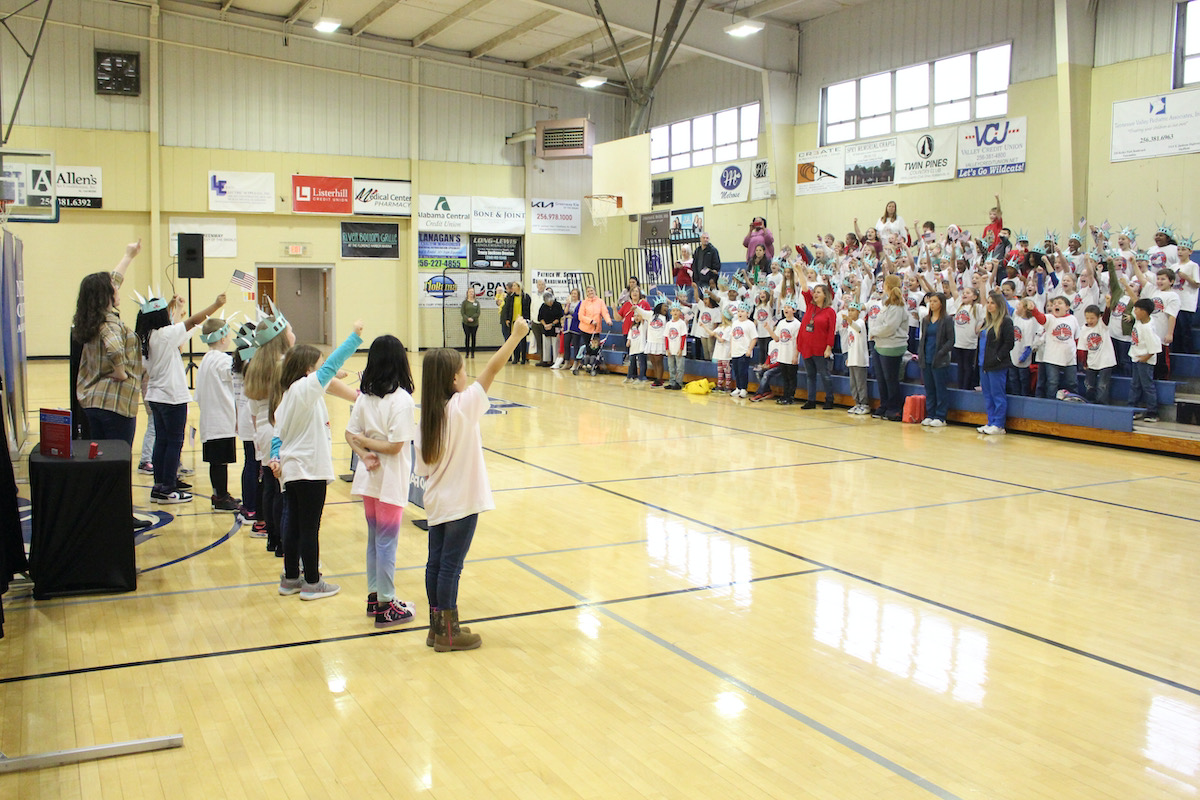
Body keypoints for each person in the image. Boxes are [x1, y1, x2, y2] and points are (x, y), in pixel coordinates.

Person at [417, 317, 530, 651]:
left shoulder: (427, 417)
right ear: (454, 378)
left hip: (437, 501)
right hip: (462, 502)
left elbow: (424, 468)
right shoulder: (462, 407)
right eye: (463, 370)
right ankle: (449, 635)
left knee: (435, 563)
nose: (468, 375)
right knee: (451, 568)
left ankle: (437, 627)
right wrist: (515, 337)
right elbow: (492, 370)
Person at [270, 321, 364, 601]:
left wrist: (274, 458)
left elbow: (277, 436)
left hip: (291, 469)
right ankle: (312, 581)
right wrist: (354, 337)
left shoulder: (289, 394)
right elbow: (331, 366)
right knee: (309, 528)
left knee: (293, 525)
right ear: (308, 370)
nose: (324, 370)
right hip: (309, 469)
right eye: (319, 366)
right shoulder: (305, 388)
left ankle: (290, 578)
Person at [345, 334, 418, 629]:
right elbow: (395, 446)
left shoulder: (365, 398)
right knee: (386, 541)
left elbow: (350, 435)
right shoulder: (401, 401)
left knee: (375, 539)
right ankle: (386, 604)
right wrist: (367, 448)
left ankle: (375, 596)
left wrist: (363, 453)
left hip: (370, 478)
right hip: (388, 480)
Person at [138, 289, 227, 504]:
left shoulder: (148, 337)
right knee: (174, 442)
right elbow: (193, 321)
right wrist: (216, 305)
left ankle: (160, 485)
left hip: (156, 396)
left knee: (162, 441)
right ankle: (168, 488)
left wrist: (176, 307)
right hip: (171, 397)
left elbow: (182, 328)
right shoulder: (165, 335)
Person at [71, 240, 143, 446]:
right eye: (113, 288)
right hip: (115, 403)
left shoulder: (90, 319)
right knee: (118, 456)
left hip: (93, 400)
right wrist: (121, 372)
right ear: (106, 295)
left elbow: (114, 280)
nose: (117, 289)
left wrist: (128, 256)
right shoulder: (109, 323)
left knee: (101, 456)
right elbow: (115, 347)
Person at [243, 305, 296, 557]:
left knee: (268, 485)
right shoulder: (285, 365)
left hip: (262, 429)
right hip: (278, 429)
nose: (294, 333)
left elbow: (253, 411)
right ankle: (283, 541)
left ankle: (272, 538)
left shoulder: (254, 364)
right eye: (290, 330)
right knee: (281, 490)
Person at [196, 316, 240, 512]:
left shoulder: (206, 359)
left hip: (210, 418)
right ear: (223, 338)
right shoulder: (223, 360)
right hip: (221, 418)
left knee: (217, 462)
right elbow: (236, 375)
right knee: (220, 462)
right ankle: (220, 497)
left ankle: (220, 493)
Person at [231, 322, 263, 533]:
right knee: (253, 464)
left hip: (242, 415)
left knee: (249, 462)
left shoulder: (237, 360)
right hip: (252, 416)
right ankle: (252, 507)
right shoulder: (251, 361)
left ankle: (248, 505)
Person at [795, 267, 837, 409]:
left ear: (825, 295)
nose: (815, 294)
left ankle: (829, 399)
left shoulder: (830, 312)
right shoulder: (809, 306)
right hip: (807, 346)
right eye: (815, 292)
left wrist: (828, 348)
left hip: (820, 348)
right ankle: (811, 400)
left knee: (824, 375)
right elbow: (805, 287)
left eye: (818, 292)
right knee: (810, 375)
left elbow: (831, 332)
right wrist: (799, 272)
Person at [869, 275, 908, 421]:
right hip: (881, 345)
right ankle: (884, 404)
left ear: (887, 285)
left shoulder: (897, 305)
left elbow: (890, 327)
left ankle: (894, 408)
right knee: (881, 378)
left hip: (892, 345)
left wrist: (874, 331)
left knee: (890, 379)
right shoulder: (887, 304)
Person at [977, 291, 1015, 435]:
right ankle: (990, 421)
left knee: (997, 395)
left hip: (997, 365)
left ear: (999, 305)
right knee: (987, 395)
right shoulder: (986, 321)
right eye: (988, 302)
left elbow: (1009, 343)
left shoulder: (1006, 321)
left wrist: (998, 358)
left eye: (992, 303)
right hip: (983, 363)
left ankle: (999, 424)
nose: (989, 305)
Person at [918, 293, 954, 427]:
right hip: (926, 358)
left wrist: (941, 353)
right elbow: (923, 338)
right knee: (929, 388)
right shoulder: (926, 320)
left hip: (939, 360)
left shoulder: (947, 320)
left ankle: (940, 416)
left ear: (941, 303)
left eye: (935, 301)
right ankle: (930, 414)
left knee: (940, 388)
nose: (931, 304)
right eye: (931, 301)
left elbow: (951, 340)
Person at [1129, 298, 1162, 422]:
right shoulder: (1139, 321)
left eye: (1137, 309)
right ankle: (1133, 409)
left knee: (1147, 386)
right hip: (1136, 357)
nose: (1134, 311)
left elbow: (1155, 348)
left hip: (1145, 362)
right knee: (1135, 385)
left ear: (1144, 312)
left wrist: (1145, 358)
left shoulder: (1148, 328)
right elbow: (1135, 299)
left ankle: (1153, 412)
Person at [1079, 304, 1116, 405]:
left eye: (1092, 318)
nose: (1089, 320)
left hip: (1105, 360)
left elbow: (1106, 317)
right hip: (1091, 361)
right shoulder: (1083, 329)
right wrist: (1084, 362)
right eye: (1087, 318)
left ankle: (1102, 405)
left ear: (1098, 317)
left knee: (1102, 386)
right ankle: (1090, 403)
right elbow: (1082, 348)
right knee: (1089, 385)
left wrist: (1108, 306)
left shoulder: (1102, 325)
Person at [767, 298, 801, 405]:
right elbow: (777, 338)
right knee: (785, 377)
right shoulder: (781, 323)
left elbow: (798, 342)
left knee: (791, 377)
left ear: (794, 310)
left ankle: (790, 396)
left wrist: (795, 356)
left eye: (789, 307)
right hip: (782, 354)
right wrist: (768, 329)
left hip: (791, 355)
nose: (786, 309)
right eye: (785, 307)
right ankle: (785, 395)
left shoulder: (797, 324)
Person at [842, 302, 870, 414]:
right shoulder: (850, 325)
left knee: (860, 383)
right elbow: (850, 343)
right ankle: (857, 403)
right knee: (853, 384)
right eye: (849, 310)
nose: (850, 313)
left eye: (853, 310)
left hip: (860, 359)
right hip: (852, 358)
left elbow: (858, 328)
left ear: (858, 311)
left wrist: (848, 320)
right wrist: (848, 357)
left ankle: (864, 404)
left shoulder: (860, 322)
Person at [729, 301, 757, 398]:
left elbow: (754, 338)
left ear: (747, 313)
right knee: (736, 371)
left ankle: (744, 389)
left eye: (742, 311)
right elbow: (732, 337)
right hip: (735, 351)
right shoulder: (735, 323)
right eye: (738, 311)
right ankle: (738, 387)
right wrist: (731, 349)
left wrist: (749, 350)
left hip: (744, 352)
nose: (740, 313)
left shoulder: (750, 324)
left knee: (743, 371)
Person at [500, 282, 532, 364]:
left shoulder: (526, 297)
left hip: (522, 320)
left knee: (523, 340)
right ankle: (516, 357)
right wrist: (507, 319)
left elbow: (528, 309)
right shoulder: (510, 297)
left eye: (514, 286)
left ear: (519, 287)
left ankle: (523, 358)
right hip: (513, 320)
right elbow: (507, 308)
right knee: (514, 339)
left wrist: (527, 320)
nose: (513, 287)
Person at [663, 302, 688, 390]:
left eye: (677, 310)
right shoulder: (668, 324)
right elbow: (666, 337)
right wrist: (667, 348)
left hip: (679, 349)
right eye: (673, 310)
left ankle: (678, 383)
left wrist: (681, 349)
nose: (675, 312)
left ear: (680, 312)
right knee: (671, 367)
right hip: (670, 349)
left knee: (679, 368)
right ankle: (672, 382)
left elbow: (683, 337)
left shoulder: (682, 323)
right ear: (670, 312)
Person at [536, 290, 564, 367]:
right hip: (546, 328)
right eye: (548, 302)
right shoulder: (543, 306)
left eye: (551, 301)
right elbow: (540, 317)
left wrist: (551, 324)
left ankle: (555, 361)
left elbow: (559, 317)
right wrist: (545, 325)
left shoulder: (557, 305)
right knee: (546, 344)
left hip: (555, 327)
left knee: (556, 344)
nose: (550, 303)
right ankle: (546, 360)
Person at [558, 287, 582, 370]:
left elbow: (578, 315)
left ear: (578, 295)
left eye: (575, 294)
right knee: (566, 345)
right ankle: (567, 362)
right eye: (572, 294)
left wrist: (571, 315)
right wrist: (567, 304)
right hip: (567, 327)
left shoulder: (580, 303)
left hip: (575, 327)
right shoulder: (568, 303)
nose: (573, 295)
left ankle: (576, 363)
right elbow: (565, 313)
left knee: (576, 346)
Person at [460, 287, 480, 359]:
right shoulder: (464, 303)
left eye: (472, 292)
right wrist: (467, 318)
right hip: (466, 323)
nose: (471, 293)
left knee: (473, 337)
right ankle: (467, 352)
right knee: (467, 337)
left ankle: (473, 353)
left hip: (475, 323)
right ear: (467, 293)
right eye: (470, 292)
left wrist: (472, 318)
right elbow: (462, 312)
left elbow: (478, 312)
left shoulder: (477, 302)